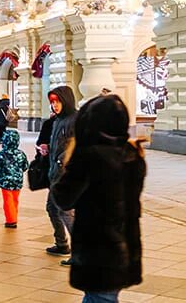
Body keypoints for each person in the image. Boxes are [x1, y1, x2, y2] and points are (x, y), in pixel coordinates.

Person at [52, 94, 145, 302]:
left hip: (98, 251)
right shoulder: (132, 154)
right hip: (124, 246)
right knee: (102, 297)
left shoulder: (89, 156)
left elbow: (63, 198)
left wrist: (70, 162)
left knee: (101, 298)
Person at [41, 85, 78, 258]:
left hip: (68, 175)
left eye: (57, 101)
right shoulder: (57, 120)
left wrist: (61, 160)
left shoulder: (74, 120)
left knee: (65, 211)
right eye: (52, 102)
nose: (54, 105)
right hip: (56, 173)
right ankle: (62, 243)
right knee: (52, 208)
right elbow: (60, 144)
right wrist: (47, 149)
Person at [0, 128, 30, 228]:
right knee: (15, 200)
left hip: (5, 182)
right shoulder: (21, 154)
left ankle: (11, 220)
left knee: (7, 201)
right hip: (17, 182)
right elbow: (25, 166)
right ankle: (14, 216)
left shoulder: (1, 155)